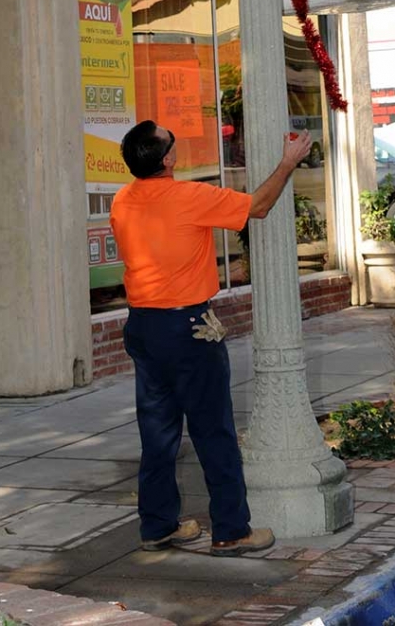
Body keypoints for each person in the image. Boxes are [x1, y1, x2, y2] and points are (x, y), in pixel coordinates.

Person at [111, 120, 313, 558]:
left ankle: (158, 525)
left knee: (158, 433)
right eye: (172, 142)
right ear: (167, 159)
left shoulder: (122, 200)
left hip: (143, 326)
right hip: (188, 327)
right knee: (213, 431)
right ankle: (231, 529)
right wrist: (287, 163)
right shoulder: (189, 197)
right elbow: (258, 206)